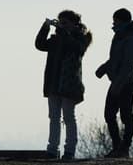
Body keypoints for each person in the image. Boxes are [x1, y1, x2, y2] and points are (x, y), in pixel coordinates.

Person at [35, 10, 92, 160]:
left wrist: (63, 31)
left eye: (65, 22)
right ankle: (52, 150)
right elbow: (40, 45)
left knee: (68, 117)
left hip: (69, 84)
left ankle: (69, 151)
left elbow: (76, 48)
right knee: (54, 117)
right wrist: (45, 27)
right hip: (54, 82)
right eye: (60, 22)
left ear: (74, 24)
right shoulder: (56, 39)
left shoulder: (81, 39)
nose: (61, 25)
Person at [95, 8, 133, 158]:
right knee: (109, 114)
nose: (113, 23)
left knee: (126, 116)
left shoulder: (132, 38)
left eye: (115, 20)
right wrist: (104, 68)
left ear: (122, 21)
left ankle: (124, 148)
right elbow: (115, 59)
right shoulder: (119, 36)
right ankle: (117, 147)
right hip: (116, 81)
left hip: (126, 83)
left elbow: (128, 64)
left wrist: (118, 84)